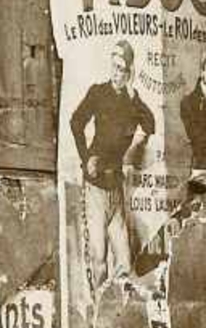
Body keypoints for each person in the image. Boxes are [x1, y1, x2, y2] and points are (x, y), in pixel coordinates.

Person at [70, 39, 155, 294]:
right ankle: (97, 316)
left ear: (129, 73)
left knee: (125, 262)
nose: (117, 73)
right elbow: (76, 122)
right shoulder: (98, 93)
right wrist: (86, 159)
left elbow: (151, 125)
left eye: (122, 69)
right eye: (114, 66)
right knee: (98, 258)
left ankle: (115, 316)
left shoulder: (131, 102)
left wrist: (134, 97)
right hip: (95, 188)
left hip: (116, 189)